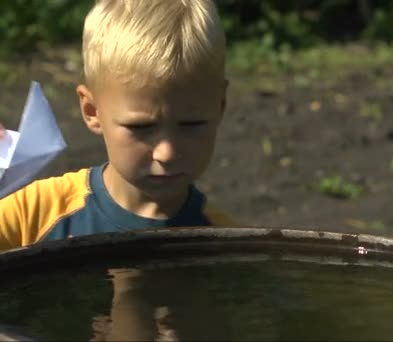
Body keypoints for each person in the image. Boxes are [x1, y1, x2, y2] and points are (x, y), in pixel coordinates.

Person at [0, 0, 235, 252]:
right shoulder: (32, 216)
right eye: (141, 127)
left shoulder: (223, 245)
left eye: (192, 124)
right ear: (92, 111)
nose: (167, 153)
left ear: (220, 107)